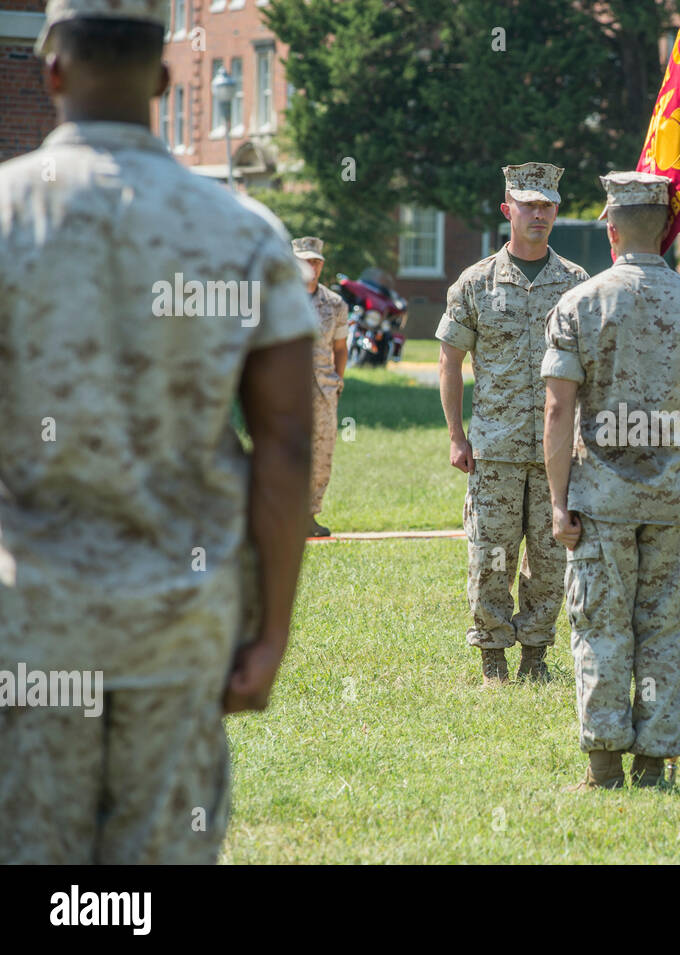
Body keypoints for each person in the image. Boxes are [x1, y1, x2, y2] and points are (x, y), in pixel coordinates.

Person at [0, 0, 317, 863]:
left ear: (51, 68)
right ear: (166, 79)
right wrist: (271, 632)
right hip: (181, 625)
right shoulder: (243, 233)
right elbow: (286, 444)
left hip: (28, 626)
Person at [542, 171, 680, 790]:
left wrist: (556, 503)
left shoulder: (579, 303)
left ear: (611, 228)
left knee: (600, 624)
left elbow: (556, 410)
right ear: (669, 232)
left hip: (601, 498)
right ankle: (655, 762)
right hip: (678, 501)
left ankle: (604, 767)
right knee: (666, 628)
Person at [436, 163, 589, 685]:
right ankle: (493, 660)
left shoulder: (575, 285)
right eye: (529, 204)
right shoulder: (476, 283)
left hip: (556, 454)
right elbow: (450, 362)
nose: (539, 213)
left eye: (548, 204)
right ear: (508, 211)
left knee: (550, 559)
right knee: (491, 557)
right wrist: (457, 436)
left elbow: (591, 369)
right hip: (495, 449)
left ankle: (536, 656)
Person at [295, 236, 349, 538]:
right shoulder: (277, 298)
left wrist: (338, 379)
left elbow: (340, 347)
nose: (310, 266)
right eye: (304, 260)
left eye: (315, 261)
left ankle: (309, 516)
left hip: (324, 390)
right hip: (288, 389)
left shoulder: (335, 303)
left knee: (322, 454)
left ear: (322, 265)